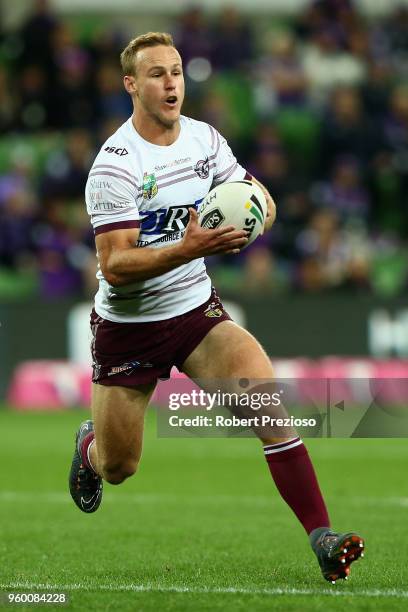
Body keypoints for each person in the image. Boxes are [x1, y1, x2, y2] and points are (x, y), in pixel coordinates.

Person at [69, 32, 364, 583]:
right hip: (129, 327)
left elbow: (253, 195)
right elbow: (115, 265)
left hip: (195, 313)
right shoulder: (115, 166)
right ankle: (90, 447)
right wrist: (188, 246)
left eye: (176, 71)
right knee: (119, 467)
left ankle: (323, 537)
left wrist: (258, 212)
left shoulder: (205, 140)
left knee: (270, 413)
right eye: (156, 73)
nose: (171, 82)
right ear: (131, 85)